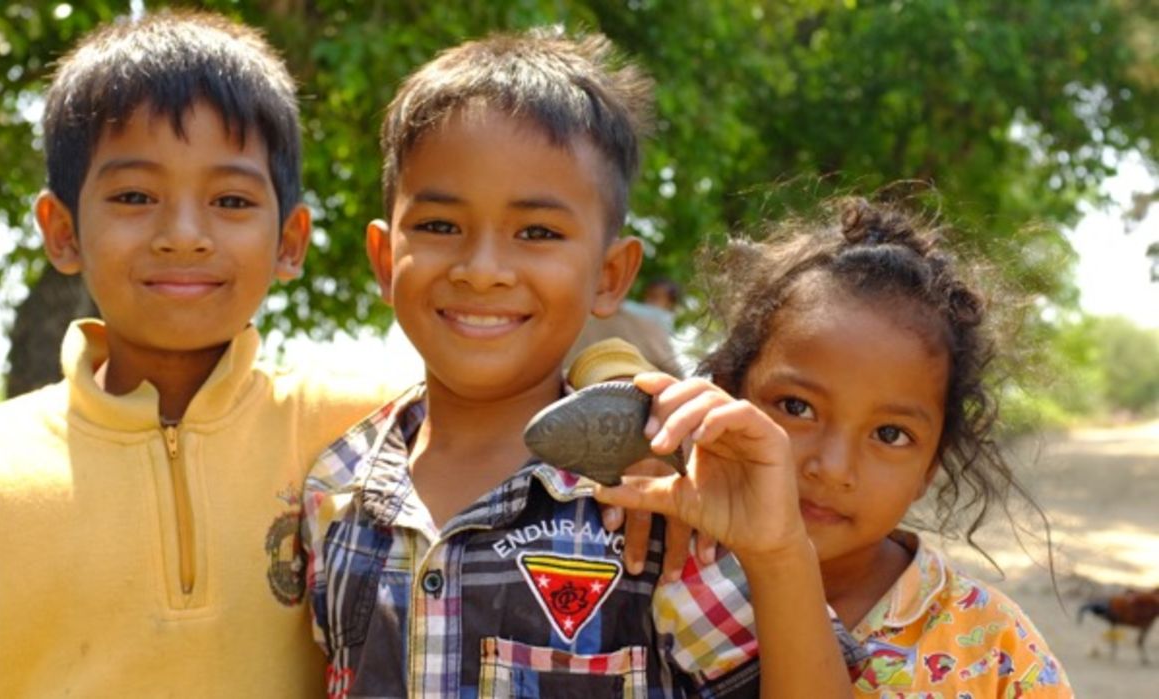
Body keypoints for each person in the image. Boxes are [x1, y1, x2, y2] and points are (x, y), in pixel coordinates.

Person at [301, 28, 864, 698]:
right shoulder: (335, 490)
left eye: (537, 233)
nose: (483, 270)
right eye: (441, 226)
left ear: (610, 274)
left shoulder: (655, 497)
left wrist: (777, 555)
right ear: (386, 260)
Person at [0, 11, 394, 696]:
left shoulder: (354, 429)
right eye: (134, 196)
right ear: (62, 231)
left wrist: (610, 379)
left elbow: (529, 396)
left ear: (289, 240)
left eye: (230, 199)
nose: (183, 235)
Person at [594, 197, 1074, 697]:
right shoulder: (649, 550)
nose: (832, 467)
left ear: (930, 466)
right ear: (727, 393)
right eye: (797, 407)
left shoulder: (991, 650)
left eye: (890, 435)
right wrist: (628, 414)